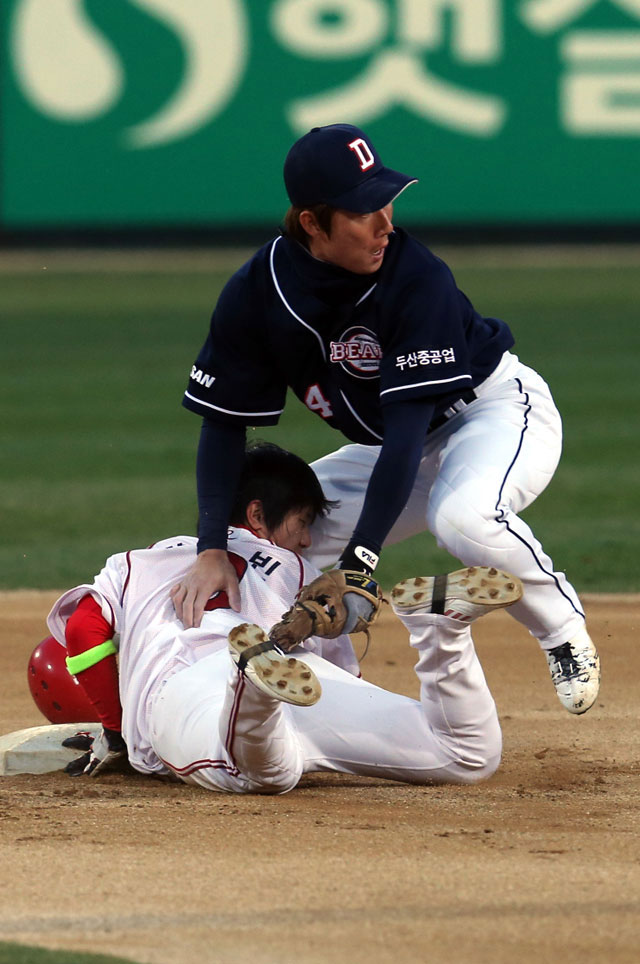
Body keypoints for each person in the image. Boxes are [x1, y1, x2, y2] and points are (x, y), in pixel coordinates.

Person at [173, 123, 599, 717]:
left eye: (386, 199)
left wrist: (362, 560)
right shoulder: (256, 292)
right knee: (273, 546)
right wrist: (212, 545)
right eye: (362, 211)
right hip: (398, 448)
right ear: (312, 224)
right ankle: (307, 692)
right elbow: (222, 424)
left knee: (464, 519)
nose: (385, 222)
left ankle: (562, 631)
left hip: (491, 415)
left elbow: (405, 431)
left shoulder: (415, 277)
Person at [44, 442, 522, 791]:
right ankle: (441, 630)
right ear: (256, 515)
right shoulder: (300, 571)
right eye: (302, 522)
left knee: (261, 775)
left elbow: (83, 629)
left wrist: (115, 729)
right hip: (309, 679)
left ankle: (251, 684)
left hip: (188, 690)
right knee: (466, 757)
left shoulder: (135, 563)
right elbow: (345, 674)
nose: (309, 540)